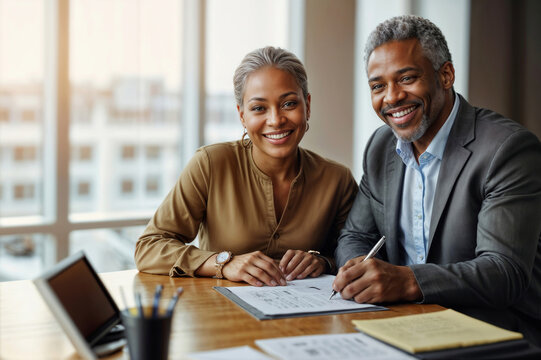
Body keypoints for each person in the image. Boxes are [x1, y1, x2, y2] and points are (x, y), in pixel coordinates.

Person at [333, 15, 541, 345]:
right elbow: (355, 235)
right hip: (406, 324)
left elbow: (504, 273)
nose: (392, 97)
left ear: (445, 75)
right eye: (378, 86)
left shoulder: (507, 149)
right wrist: (358, 270)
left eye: (407, 78)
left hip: (498, 331)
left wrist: (406, 280)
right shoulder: (380, 147)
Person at [136, 46, 358, 287]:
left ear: (308, 105)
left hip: (306, 320)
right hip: (222, 316)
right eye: (259, 108)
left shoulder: (337, 179)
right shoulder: (210, 164)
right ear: (242, 115)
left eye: (289, 104)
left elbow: (357, 252)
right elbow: (149, 247)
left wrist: (322, 262)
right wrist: (223, 263)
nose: (275, 120)